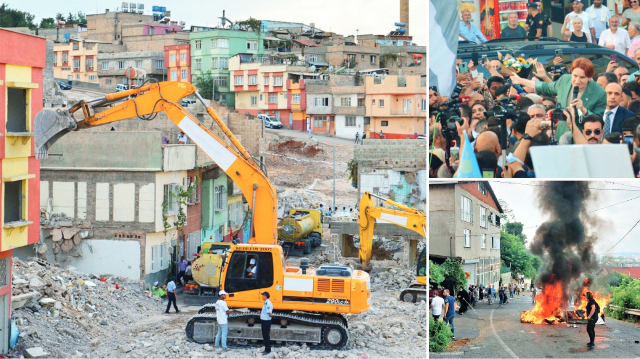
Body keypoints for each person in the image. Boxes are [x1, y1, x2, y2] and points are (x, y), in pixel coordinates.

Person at [510, 57, 606, 138]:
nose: (577, 81)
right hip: (562, 134)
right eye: (575, 76)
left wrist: (584, 110)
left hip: (583, 137)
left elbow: (599, 120)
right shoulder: (565, 80)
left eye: (582, 77)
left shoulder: (599, 92)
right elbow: (545, 87)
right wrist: (521, 81)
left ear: (590, 77)